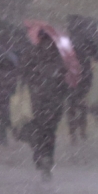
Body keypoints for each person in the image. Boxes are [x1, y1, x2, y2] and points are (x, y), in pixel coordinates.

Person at [19, 30, 70, 180]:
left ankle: (39, 155)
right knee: (50, 132)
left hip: (37, 100)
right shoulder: (59, 56)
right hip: (55, 102)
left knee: (38, 129)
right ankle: (48, 158)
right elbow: (64, 82)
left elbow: (22, 72)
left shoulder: (31, 53)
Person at [66, 15, 98, 145]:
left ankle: (73, 133)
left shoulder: (67, 41)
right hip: (84, 74)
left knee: (71, 104)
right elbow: (96, 54)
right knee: (81, 102)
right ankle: (82, 130)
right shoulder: (87, 39)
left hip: (70, 76)